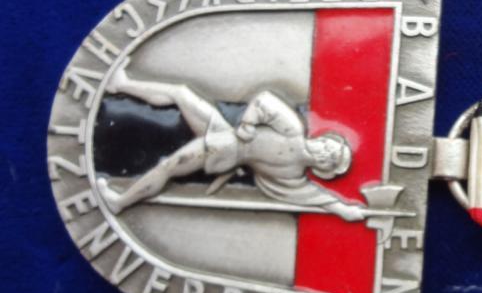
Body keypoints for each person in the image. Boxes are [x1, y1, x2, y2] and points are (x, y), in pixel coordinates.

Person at [97, 67, 366, 221]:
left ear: (322, 169)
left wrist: (344, 210)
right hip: (225, 132)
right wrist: (248, 122)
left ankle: (120, 202)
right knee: (181, 93)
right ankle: (121, 84)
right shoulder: (293, 129)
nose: (325, 152)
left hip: (223, 151)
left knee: (168, 167)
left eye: (330, 158)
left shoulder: (291, 174)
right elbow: (264, 101)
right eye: (329, 147)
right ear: (322, 139)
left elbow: (315, 197)